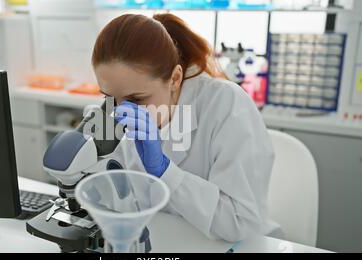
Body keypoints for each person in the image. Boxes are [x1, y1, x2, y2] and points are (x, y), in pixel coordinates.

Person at [91, 13, 280, 242]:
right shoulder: (116, 109)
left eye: (137, 99)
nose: (122, 113)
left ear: (175, 79)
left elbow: (240, 222)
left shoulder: (226, 104)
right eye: (110, 98)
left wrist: (165, 172)